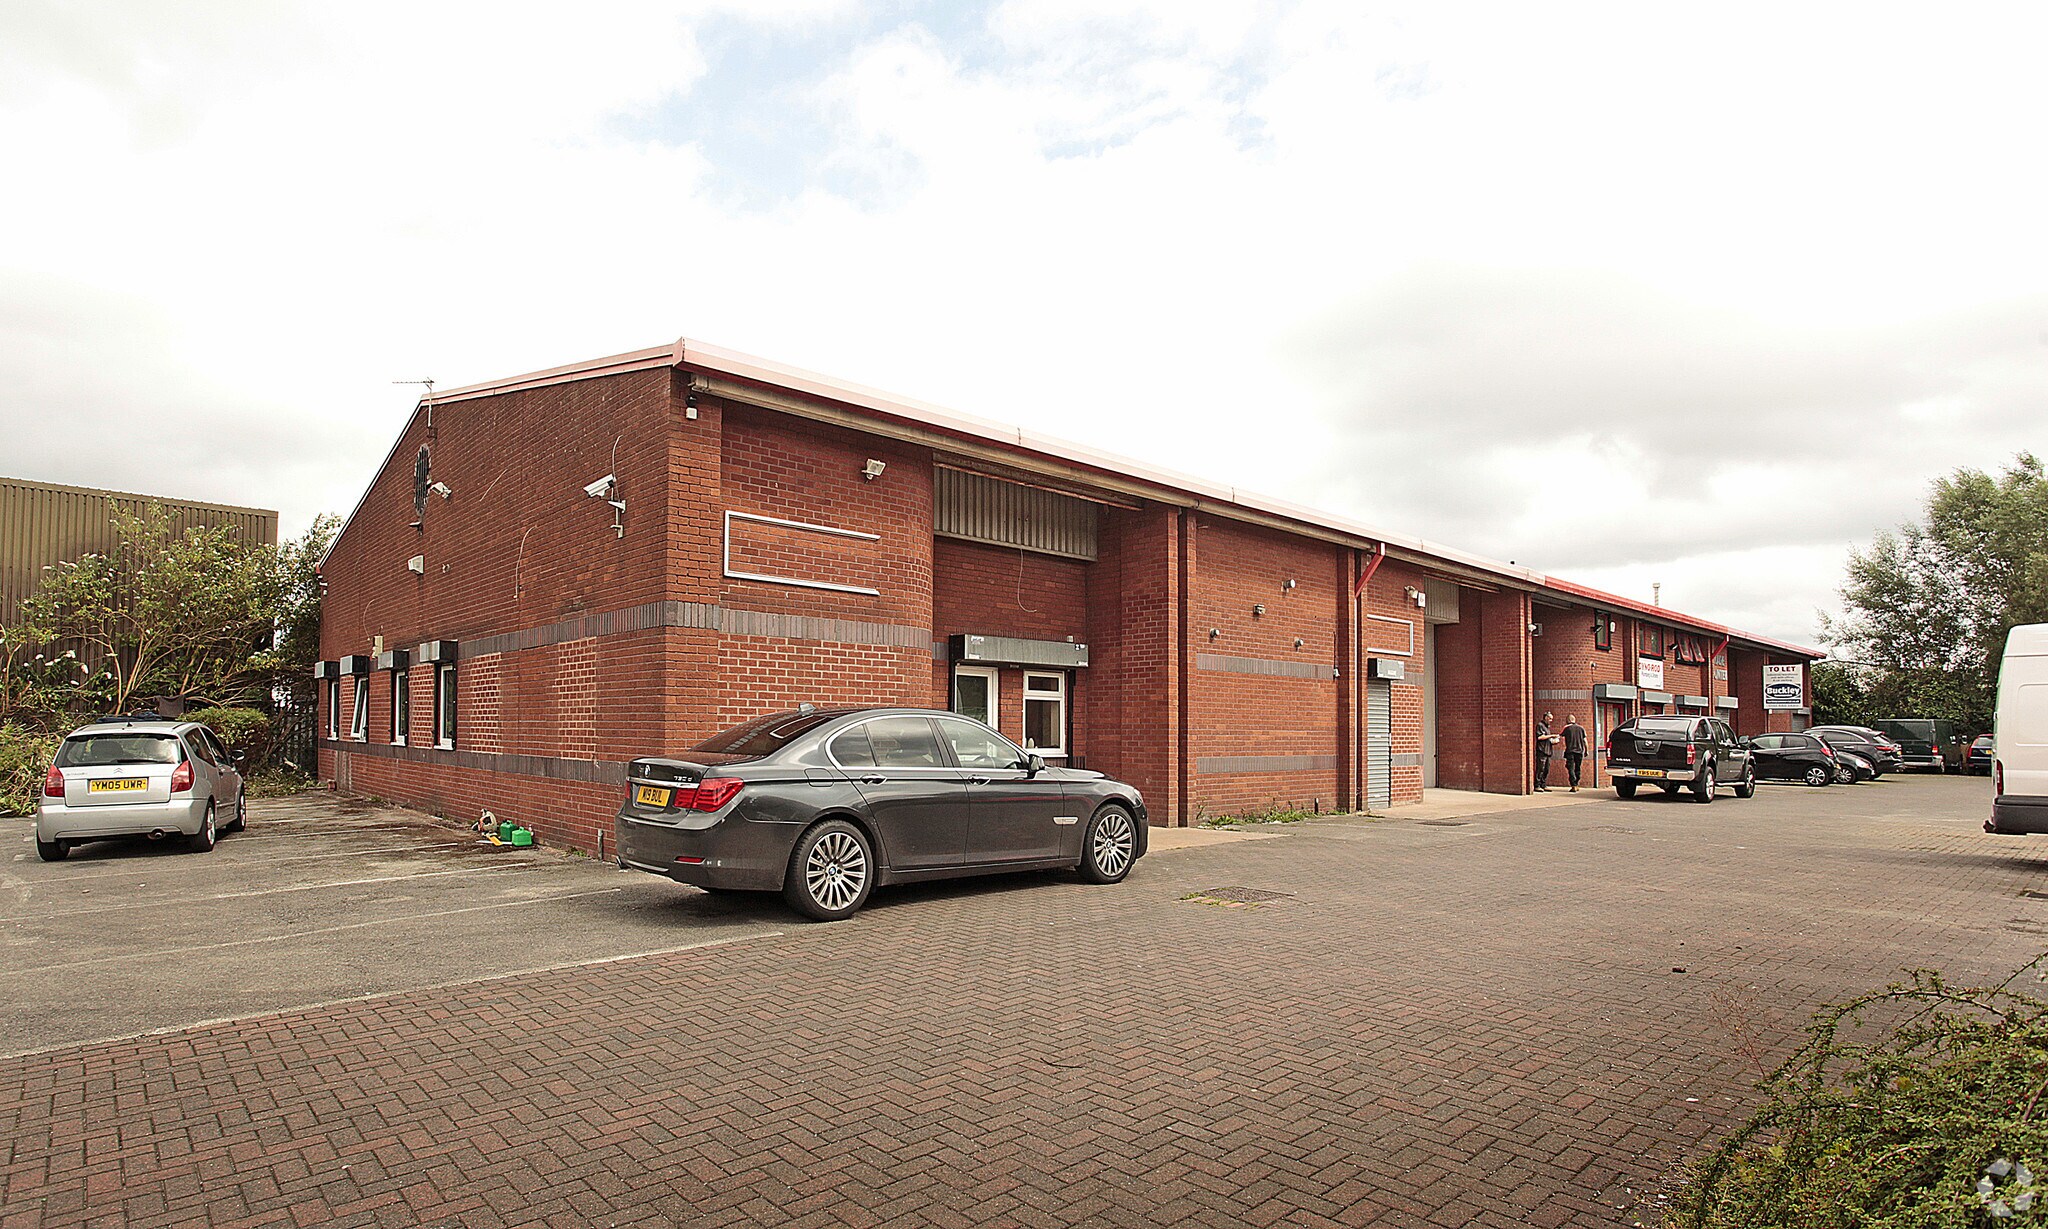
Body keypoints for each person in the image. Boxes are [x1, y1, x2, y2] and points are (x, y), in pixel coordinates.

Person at [1561, 714, 1588, 792]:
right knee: (1578, 768)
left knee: (1570, 768)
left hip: (1570, 751)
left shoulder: (1567, 728)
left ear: (1568, 721)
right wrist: (1586, 750)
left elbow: (1560, 737)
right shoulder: (1581, 728)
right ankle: (1576, 783)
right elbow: (1585, 741)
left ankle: (1573, 784)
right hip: (1579, 751)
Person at [1534, 711, 1557, 790]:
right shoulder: (1540, 726)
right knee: (1540, 768)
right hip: (1542, 751)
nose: (1551, 720)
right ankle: (1537, 785)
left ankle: (1543, 784)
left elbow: (1546, 738)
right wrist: (1551, 735)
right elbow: (1540, 737)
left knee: (1546, 769)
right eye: (1550, 718)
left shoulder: (1547, 727)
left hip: (1548, 751)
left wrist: (1552, 741)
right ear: (1546, 718)